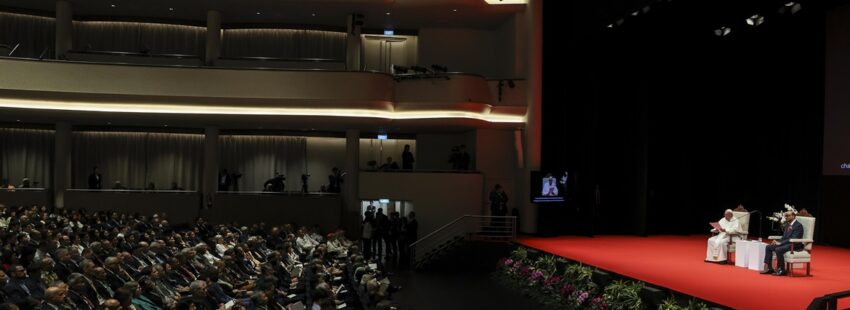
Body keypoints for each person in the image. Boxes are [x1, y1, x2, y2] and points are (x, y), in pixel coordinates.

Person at [761, 211, 804, 276]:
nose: (786, 217)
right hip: (786, 244)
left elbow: (794, 238)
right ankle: (769, 268)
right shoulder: (787, 225)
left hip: (794, 245)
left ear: (793, 216)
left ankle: (782, 270)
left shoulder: (798, 225)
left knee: (778, 249)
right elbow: (785, 237)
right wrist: (777, 241)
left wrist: (780, 243)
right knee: (768, 247)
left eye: (788, 216)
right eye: (785, 216)